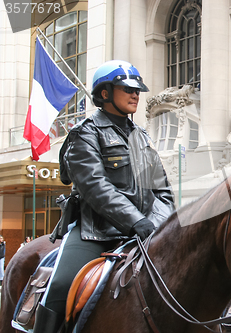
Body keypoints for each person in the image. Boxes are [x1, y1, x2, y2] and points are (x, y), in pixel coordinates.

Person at [33, 60, 176, 333]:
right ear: (106, 93)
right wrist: (136, 221)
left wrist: (157, 226)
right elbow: (97, 189)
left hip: (145, 232)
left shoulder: (142, 137)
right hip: (95, 232)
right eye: (127, 89)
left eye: (137, 90)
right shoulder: (84, 133)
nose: (136, 94)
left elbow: (163, 190)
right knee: (61, 285)